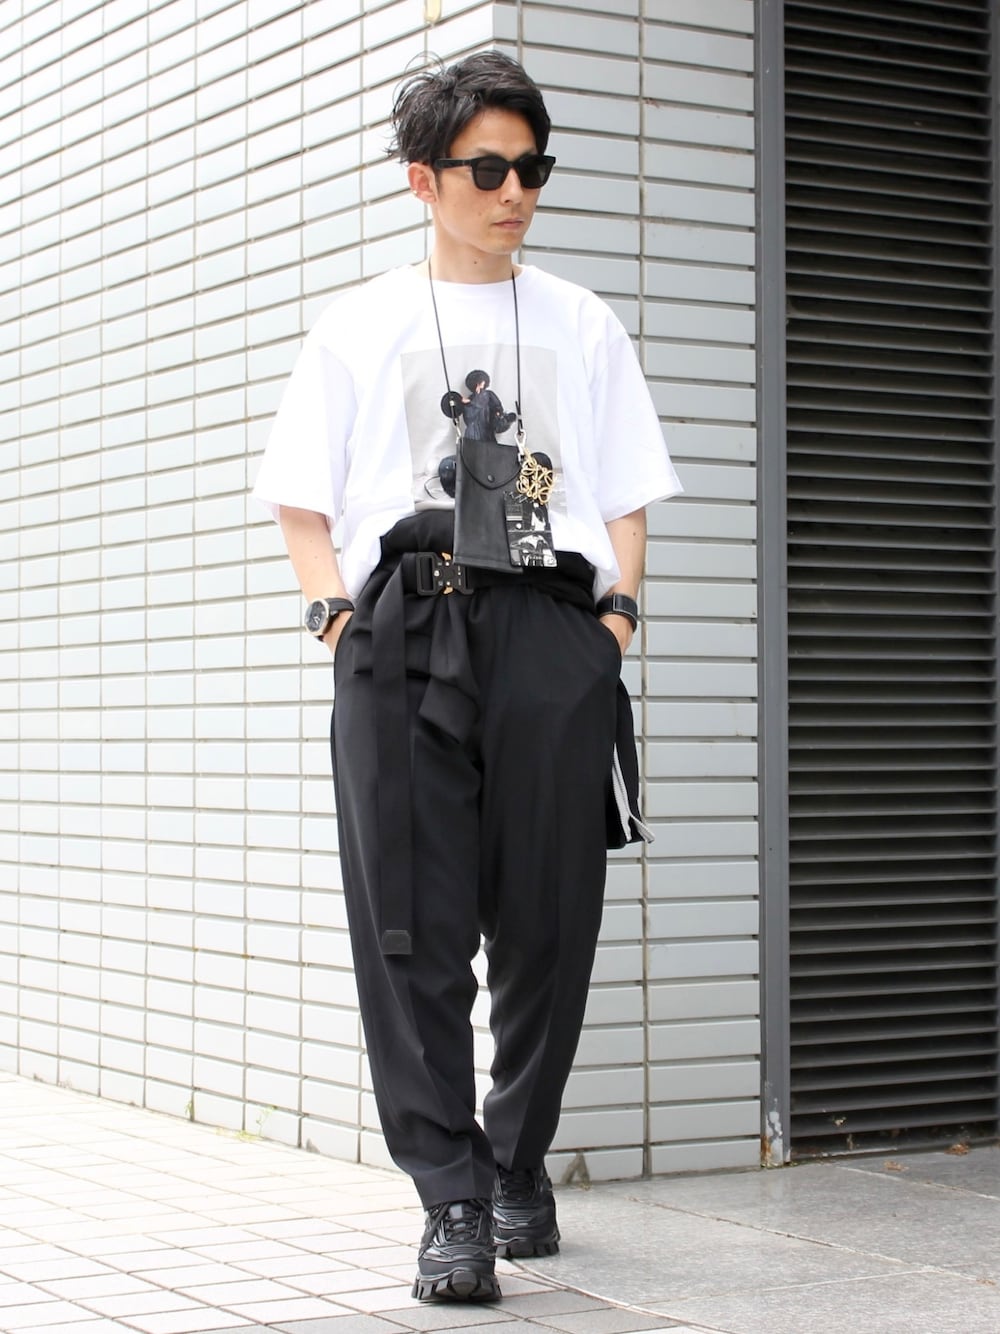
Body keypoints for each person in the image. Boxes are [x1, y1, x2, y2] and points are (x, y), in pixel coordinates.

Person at [252, 49, 682, 1303]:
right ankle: (451, 1197)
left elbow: (624, 493)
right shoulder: (357, 324)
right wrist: (337, 618)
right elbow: (299, 496)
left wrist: (613, 624)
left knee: (549, 922)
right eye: (486, 169)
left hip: (550, 629)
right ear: (421, 179)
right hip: (403, 632)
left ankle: (515, 1156)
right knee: (411, 927)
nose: (514, 193)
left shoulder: (582, 320)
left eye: (531, 168)